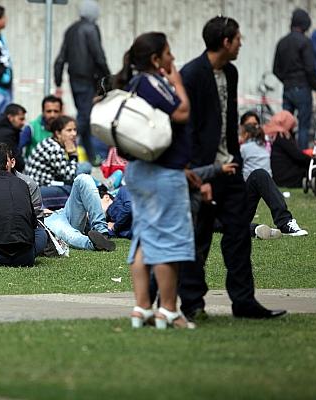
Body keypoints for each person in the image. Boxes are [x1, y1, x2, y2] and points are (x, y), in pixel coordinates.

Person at [179, 16, 286, 320]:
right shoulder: (192, 75)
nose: (241, 43)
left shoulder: (231, 72)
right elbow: (189, 129)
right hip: (205, 173)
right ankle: (192, 303)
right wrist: (199, 173)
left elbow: (228, 121)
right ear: (226, 42)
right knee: (199, 239)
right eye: (238, 38)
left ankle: (244, 302)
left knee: (238, 236)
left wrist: (235, 162)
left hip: (231, 169)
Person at [111, 32, 194, 329]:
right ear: (156, 59)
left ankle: (142, 307)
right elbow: (182, 112)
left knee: (144, 237)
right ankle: (168, 310)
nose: (173, 59)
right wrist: (178, 83)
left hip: (142, 171)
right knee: (168, 238)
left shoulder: (134, 85)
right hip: (161, 172)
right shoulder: (151, 82)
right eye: (168, 53)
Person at [54, 0, 110, 164]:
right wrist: (107, 77)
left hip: (74, 79)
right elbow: (98, 55)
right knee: (84, 117)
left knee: (85, 115)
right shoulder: (91, 28)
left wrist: (58, 81)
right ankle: (65, 148)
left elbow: (61, 58)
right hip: (88, 79)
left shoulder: (71, 29)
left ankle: (92, 157)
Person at [239, 113, 308, 238]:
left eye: (255, 124)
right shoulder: (243, 146)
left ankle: (285, 222)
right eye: (250, 125)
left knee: (260, 174)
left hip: (237, 199)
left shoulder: (261, 143)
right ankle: (257, 229)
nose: (253, 127)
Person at [273, 8, 316, 151]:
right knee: (303, 127)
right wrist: (315, 86)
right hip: (303, 88)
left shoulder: (282, 42)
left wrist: (286, 81)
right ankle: (301, 158)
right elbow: (310, 68)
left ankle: (283, 153)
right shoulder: (305, 42)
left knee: (284, 125)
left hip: (287, 89)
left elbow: (276, 69)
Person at [25, 116, 91, 210]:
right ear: (58, 133)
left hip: (45, 185)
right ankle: (99, 191)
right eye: (69, 130)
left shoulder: (51, 142)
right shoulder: (54, 148)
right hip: (39, 191)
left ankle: (98, 188)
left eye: (74, 130)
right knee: (77, 186)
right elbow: (70, 176)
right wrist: (73, 155)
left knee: (84, 169)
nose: (74, 134)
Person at [44, 174, 116, 252]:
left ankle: (102, 234)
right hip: (44, 219)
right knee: (67, 232)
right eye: (109, 209)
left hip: (63, 213)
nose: (108, 213)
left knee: (83, 178)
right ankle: (93, 244)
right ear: (106, 197)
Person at [265, 110, 311, 188]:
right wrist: (313, 160)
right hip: (287, 178)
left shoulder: (274, 135)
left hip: (280, 176)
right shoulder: (282, 136)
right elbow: (298, 156)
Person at [18, 95, 63, 160]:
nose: (52, 115)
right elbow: (17, 149)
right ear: (43, 111)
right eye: (49, 111)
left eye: (56, 111)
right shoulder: (31, 128)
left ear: (61, 112)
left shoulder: (66, 129)